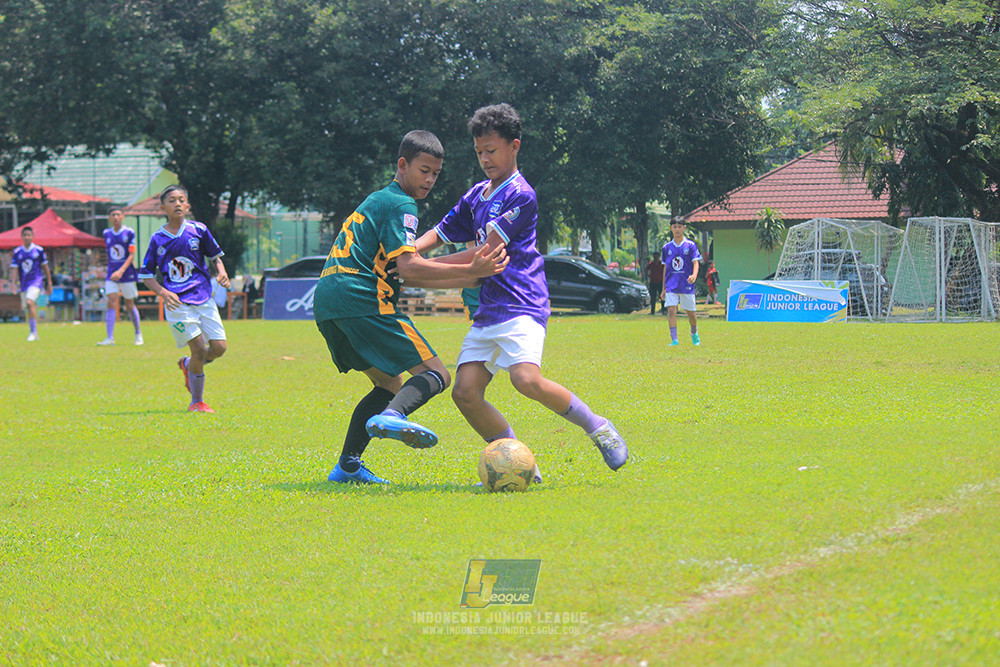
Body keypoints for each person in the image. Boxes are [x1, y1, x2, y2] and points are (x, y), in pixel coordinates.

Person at [415, 103, 628, 474]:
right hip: (489, 309)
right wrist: (405, 254)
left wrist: (417, 268)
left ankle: (599, 428)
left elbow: (485, 252)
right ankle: (519, 464)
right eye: (479, 151)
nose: (484, 159)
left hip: (522, 302)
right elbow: (440, 232)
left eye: (491, 150)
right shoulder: (476, 195)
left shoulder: (521, 195)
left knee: (525, 379)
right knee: (465, 393)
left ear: (514, 146)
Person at [313, 129, 508, 485]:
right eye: (424, 170)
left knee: (389, 383)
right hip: (361, 297)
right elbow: (410, 267)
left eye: (436, 173)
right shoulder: (401, 204)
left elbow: (406, 270)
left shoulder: (378, 199)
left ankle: (348, 467)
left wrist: (466, 276)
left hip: (328, 301)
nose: (430, 180)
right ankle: (393, 417)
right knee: (437, 374)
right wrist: (470, 270)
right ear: (402, 165)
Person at [138, 185, 230, 413]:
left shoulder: (199, 230)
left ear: (187, 205)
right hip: (177, 303)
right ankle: (197, 402)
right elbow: (146, 275)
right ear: (163, 208)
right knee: (198, 349)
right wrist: (163, 292)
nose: (177, 204)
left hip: (203, 297)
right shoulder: (158, 239)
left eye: (181, 200)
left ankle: (188, 365)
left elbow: (215, 257)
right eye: (171, 200)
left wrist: (221, 271)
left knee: (219, 348)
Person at [97, 207, 144, 346]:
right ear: (109, 218)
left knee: (129, 304)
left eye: (118, 214)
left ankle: (138, 333)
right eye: (113, 215)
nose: (116, 217)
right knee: (111, 300)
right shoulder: (106, 233)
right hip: (112, 273)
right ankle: (109, 337)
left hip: (127, 273)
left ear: (123, 217)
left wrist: (121, 270)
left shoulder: (129, 232)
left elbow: (132, 254)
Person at [661, 217, 702, 346]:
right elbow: (665, 268)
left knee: (691, 313)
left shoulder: (690, 245)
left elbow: (696, 262)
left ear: (684, 228)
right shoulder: (666, 247)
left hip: (686, 284)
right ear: (671, 228)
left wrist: (694, 275)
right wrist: (663, 288)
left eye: (680, 227)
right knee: (671, 310)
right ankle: (674, 340)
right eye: (675, 227)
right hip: (671, 284)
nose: (677, 229)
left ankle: (694, 333)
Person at [10, 226, 52, 342]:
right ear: (21, 237)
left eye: (29, 235)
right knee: (27, 306)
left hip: (36, 281)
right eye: (25, 235)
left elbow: (45, 267)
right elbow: (14, 269)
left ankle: (33, 332)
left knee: (29, 302)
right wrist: (13, 283)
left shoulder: (38, 250)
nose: (27, 237)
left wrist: (49, 283)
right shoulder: (17, 252)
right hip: (24, 283)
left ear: (33, 236)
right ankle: (34, 331)